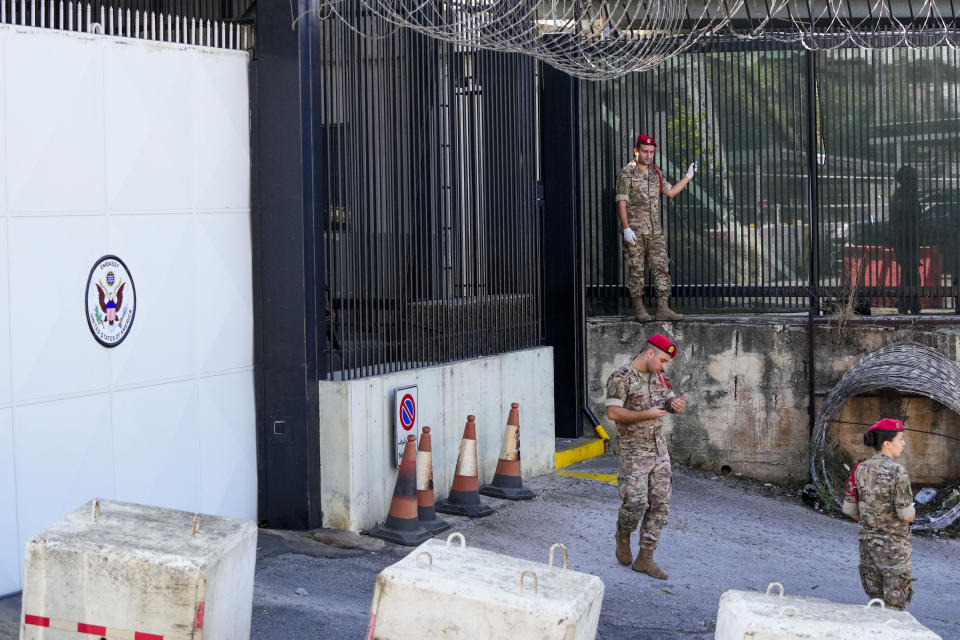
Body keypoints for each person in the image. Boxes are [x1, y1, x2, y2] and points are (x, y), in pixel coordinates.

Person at [604, 334, 688, 579]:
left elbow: (667, 397)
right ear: (650, 353)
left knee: (660, 504)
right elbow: (612, 412)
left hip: (659, 450)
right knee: (636, 502)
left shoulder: (659, 375)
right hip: (634, 452)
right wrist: (647, 414)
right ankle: (623, 532)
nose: (664, 365)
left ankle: (645, 558)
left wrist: (674, 405)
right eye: (662, 360)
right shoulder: (621, 377)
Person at [615, 134, 696, 322]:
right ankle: (638, 308)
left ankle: (662, 307)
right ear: (637, 151)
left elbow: (671, 192)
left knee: (661, 267)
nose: (648, 155)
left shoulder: (656, 173)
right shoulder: (626, 173)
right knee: (636, 269)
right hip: (634, 231)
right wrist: (626, 228)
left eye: (651, 152)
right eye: (645, 151)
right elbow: (621, 203)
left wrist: (688, 176)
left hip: (655, 232)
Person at [842, 417, 916, 610]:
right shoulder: (898, 472)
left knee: (876, 604)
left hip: (868, 547)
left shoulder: (858, 470)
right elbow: (906, 515)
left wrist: (873, 518)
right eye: (900, 439)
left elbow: (849, 510)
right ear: (887, 443)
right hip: (894, 550)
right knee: (896, 609)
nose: (903, 443)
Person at [890, 165, 922, 315]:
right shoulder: (910, 196)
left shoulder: (898, 196)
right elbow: (916, 217)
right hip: (909, 239)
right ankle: (909, 303)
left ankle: (906, 302)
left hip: (901, 240)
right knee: (912, 273)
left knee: (908, 272)